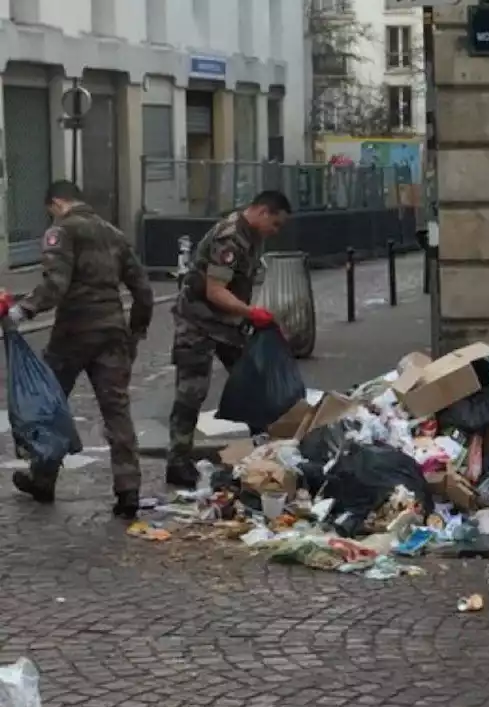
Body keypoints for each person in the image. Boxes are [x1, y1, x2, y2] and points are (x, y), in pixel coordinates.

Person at [0, 180, 153, 518]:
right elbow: (143, 289)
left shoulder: (62, 231)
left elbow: (56, 284)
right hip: (112, 332)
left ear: (56, 203)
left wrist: (22, 310)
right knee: (117, 411)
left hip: (72, 333)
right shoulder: (114, 233)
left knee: (48, 405)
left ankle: (43, 478)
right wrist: (136, 331)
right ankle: (128, 489)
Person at [166, 190, 291, 489]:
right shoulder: (230, 238)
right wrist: (251, 313)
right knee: (191, 393)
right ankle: (178, 462)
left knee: (252, 381)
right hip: (198, 322)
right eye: (275, 224)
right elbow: (215, 290)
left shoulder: (253, 237)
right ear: (262, 212)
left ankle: (264, 449)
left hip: (228, 324)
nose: (276, 232)